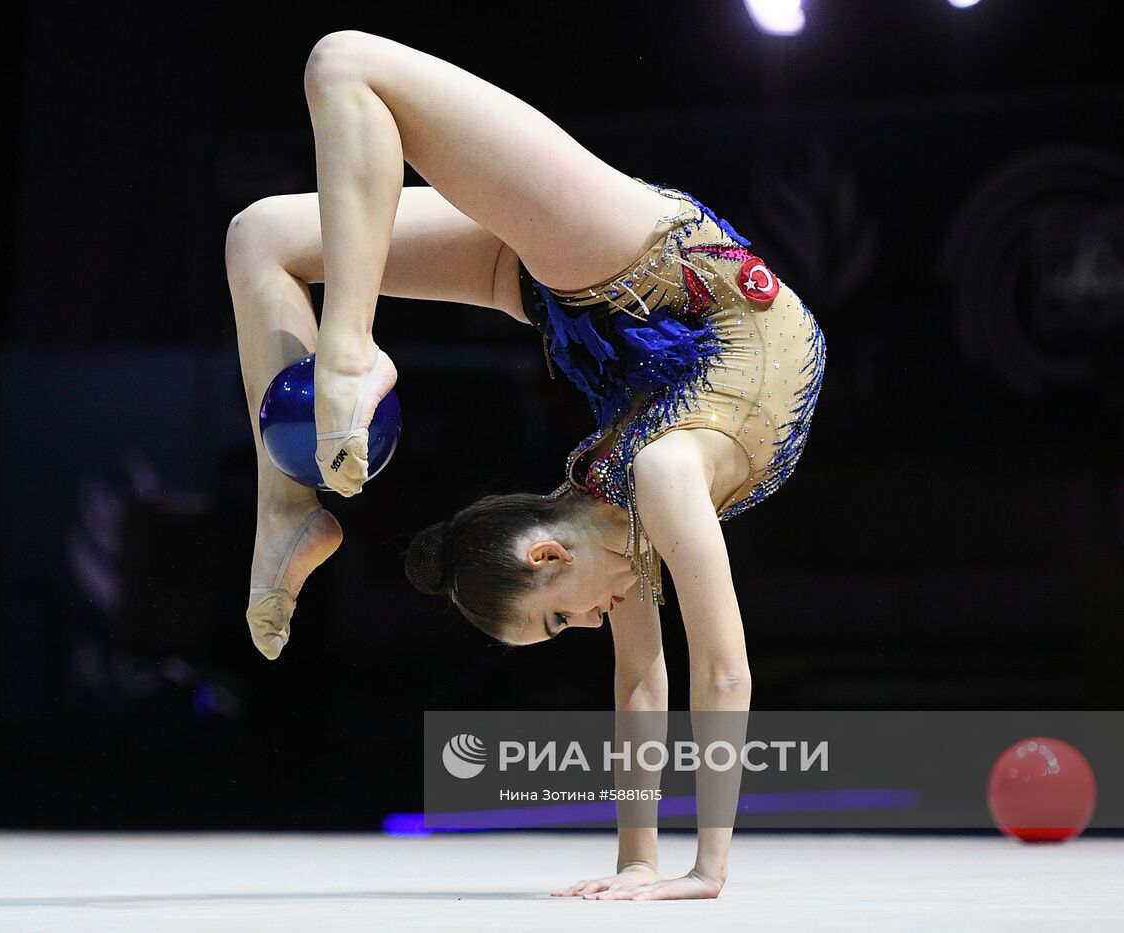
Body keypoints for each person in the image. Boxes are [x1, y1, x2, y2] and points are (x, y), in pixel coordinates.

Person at [225, 30, 827, 901]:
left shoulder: (642, 482)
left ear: (546, 555)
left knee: (344, 64)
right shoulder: (635, 502)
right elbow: (650, 680)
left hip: (647, 275)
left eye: (554, 621)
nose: (584, 626)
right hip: (639, 320)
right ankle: (286, 503)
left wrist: (703, 870)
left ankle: (349, 354)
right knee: (261, 238)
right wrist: (642, 863)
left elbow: (706, 672)